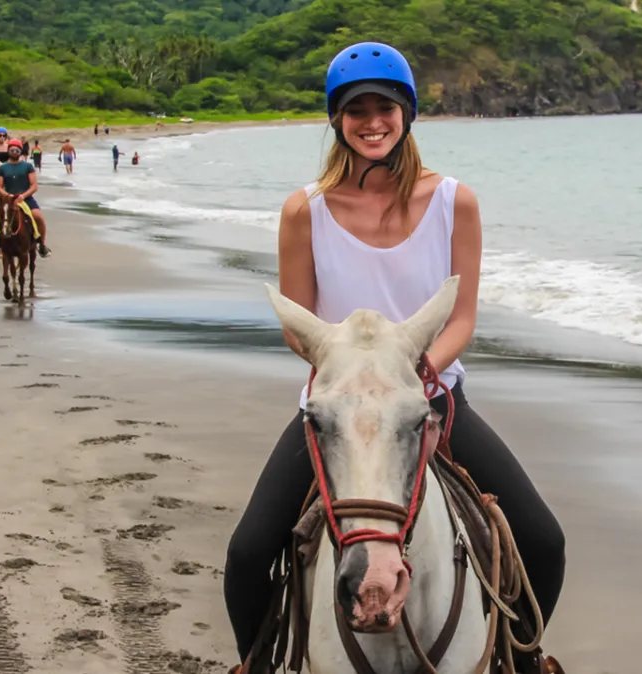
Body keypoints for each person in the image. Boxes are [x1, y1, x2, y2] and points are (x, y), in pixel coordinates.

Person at [221, 42, 566, 671]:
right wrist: (350, 370)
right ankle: (254, 663)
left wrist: (418, 370)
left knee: (544, 540)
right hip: (338, 411)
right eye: (357, 109)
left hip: (431, 400)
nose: (372, 121)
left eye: (385, 107)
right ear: (337, 119)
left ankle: (523, 657)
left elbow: (461, 316)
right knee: (247, 554)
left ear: (407, 114)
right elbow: (300, 328)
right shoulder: (306, 210)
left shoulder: (454, 201)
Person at [0, 138, 51, 265]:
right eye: (12, 149)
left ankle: (42, 245)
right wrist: (7, 196)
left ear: (20, 151)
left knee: (38, 217)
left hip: (25, 198)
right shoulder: (2, 168)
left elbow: (34, 186)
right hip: (8, 200)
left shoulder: (27, 166)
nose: (14, 152)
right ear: (8, 151)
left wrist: (23, 196)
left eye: (17, 150)